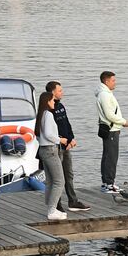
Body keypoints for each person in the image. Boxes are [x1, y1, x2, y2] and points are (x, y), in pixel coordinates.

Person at [44, 81, 88, 213]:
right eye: (60, 91)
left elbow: (66, 124)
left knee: (69, 174)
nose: (62, 93)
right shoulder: (48, 110)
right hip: (56, 147)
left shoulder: (61, 106)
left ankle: (72, 201)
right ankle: (57, 205)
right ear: (53, 92)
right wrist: (62, 141)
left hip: (66, 145)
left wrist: (71, 139)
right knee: (57, 178)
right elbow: (51, 131)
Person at [95, 70, 128, 193]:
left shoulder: (105, 93)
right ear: (106, 81)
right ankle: (109, 184)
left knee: (107, 156)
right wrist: (123, 121)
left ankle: (106, 182)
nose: (115, 82)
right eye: (113, 80)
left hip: (110, 128)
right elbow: (109, 115)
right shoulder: (104, 95)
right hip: (111, 129)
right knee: (111, 157)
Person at [35, 91, 66, 221]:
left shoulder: (41, 115)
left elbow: (39, 135)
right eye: (53, 100)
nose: (54, 102)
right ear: (48, 101)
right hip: (50, 150)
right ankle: (52, 210)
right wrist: (60, 140)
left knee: (50, 181)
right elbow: (48, 134)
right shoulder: (48, 115)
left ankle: (51, 208)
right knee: (59, 181)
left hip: (43, 149)